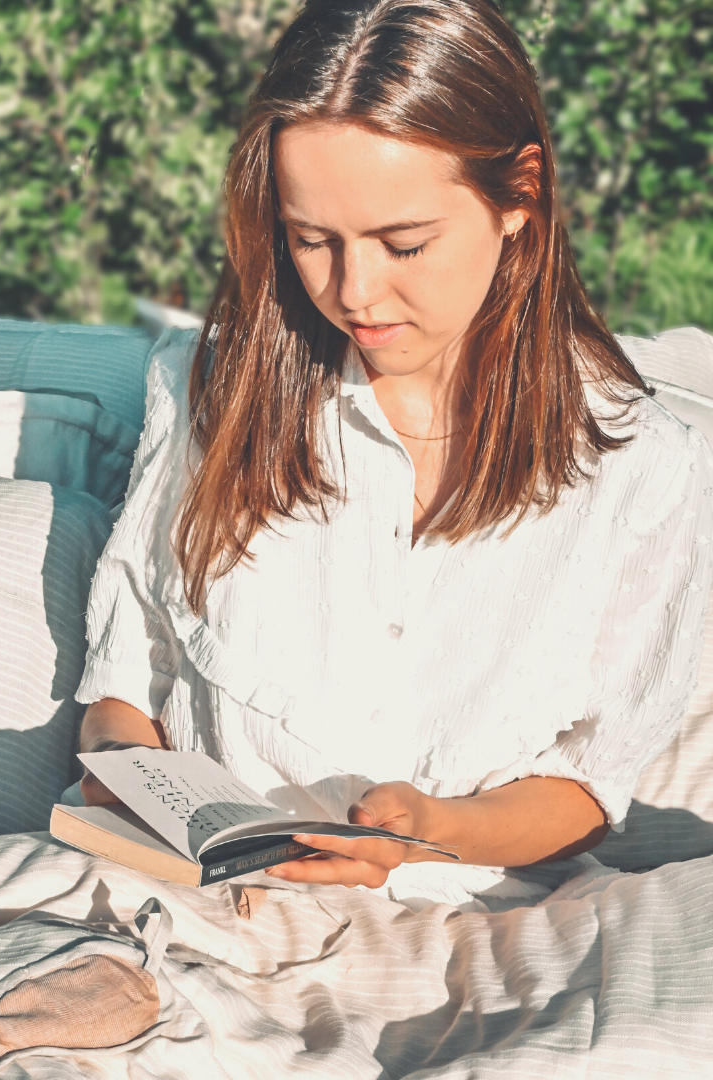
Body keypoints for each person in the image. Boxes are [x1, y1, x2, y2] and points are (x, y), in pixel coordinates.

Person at [72, 0, 713, 906]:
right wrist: (124, 773)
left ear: (519, 195)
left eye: (404, 244)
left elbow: (588, 783)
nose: (354, 292)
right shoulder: (212, 388)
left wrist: (431, 833)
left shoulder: (642, 468)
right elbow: (123, 679)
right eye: (311, 241)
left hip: (468, 930)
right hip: (197, 906)